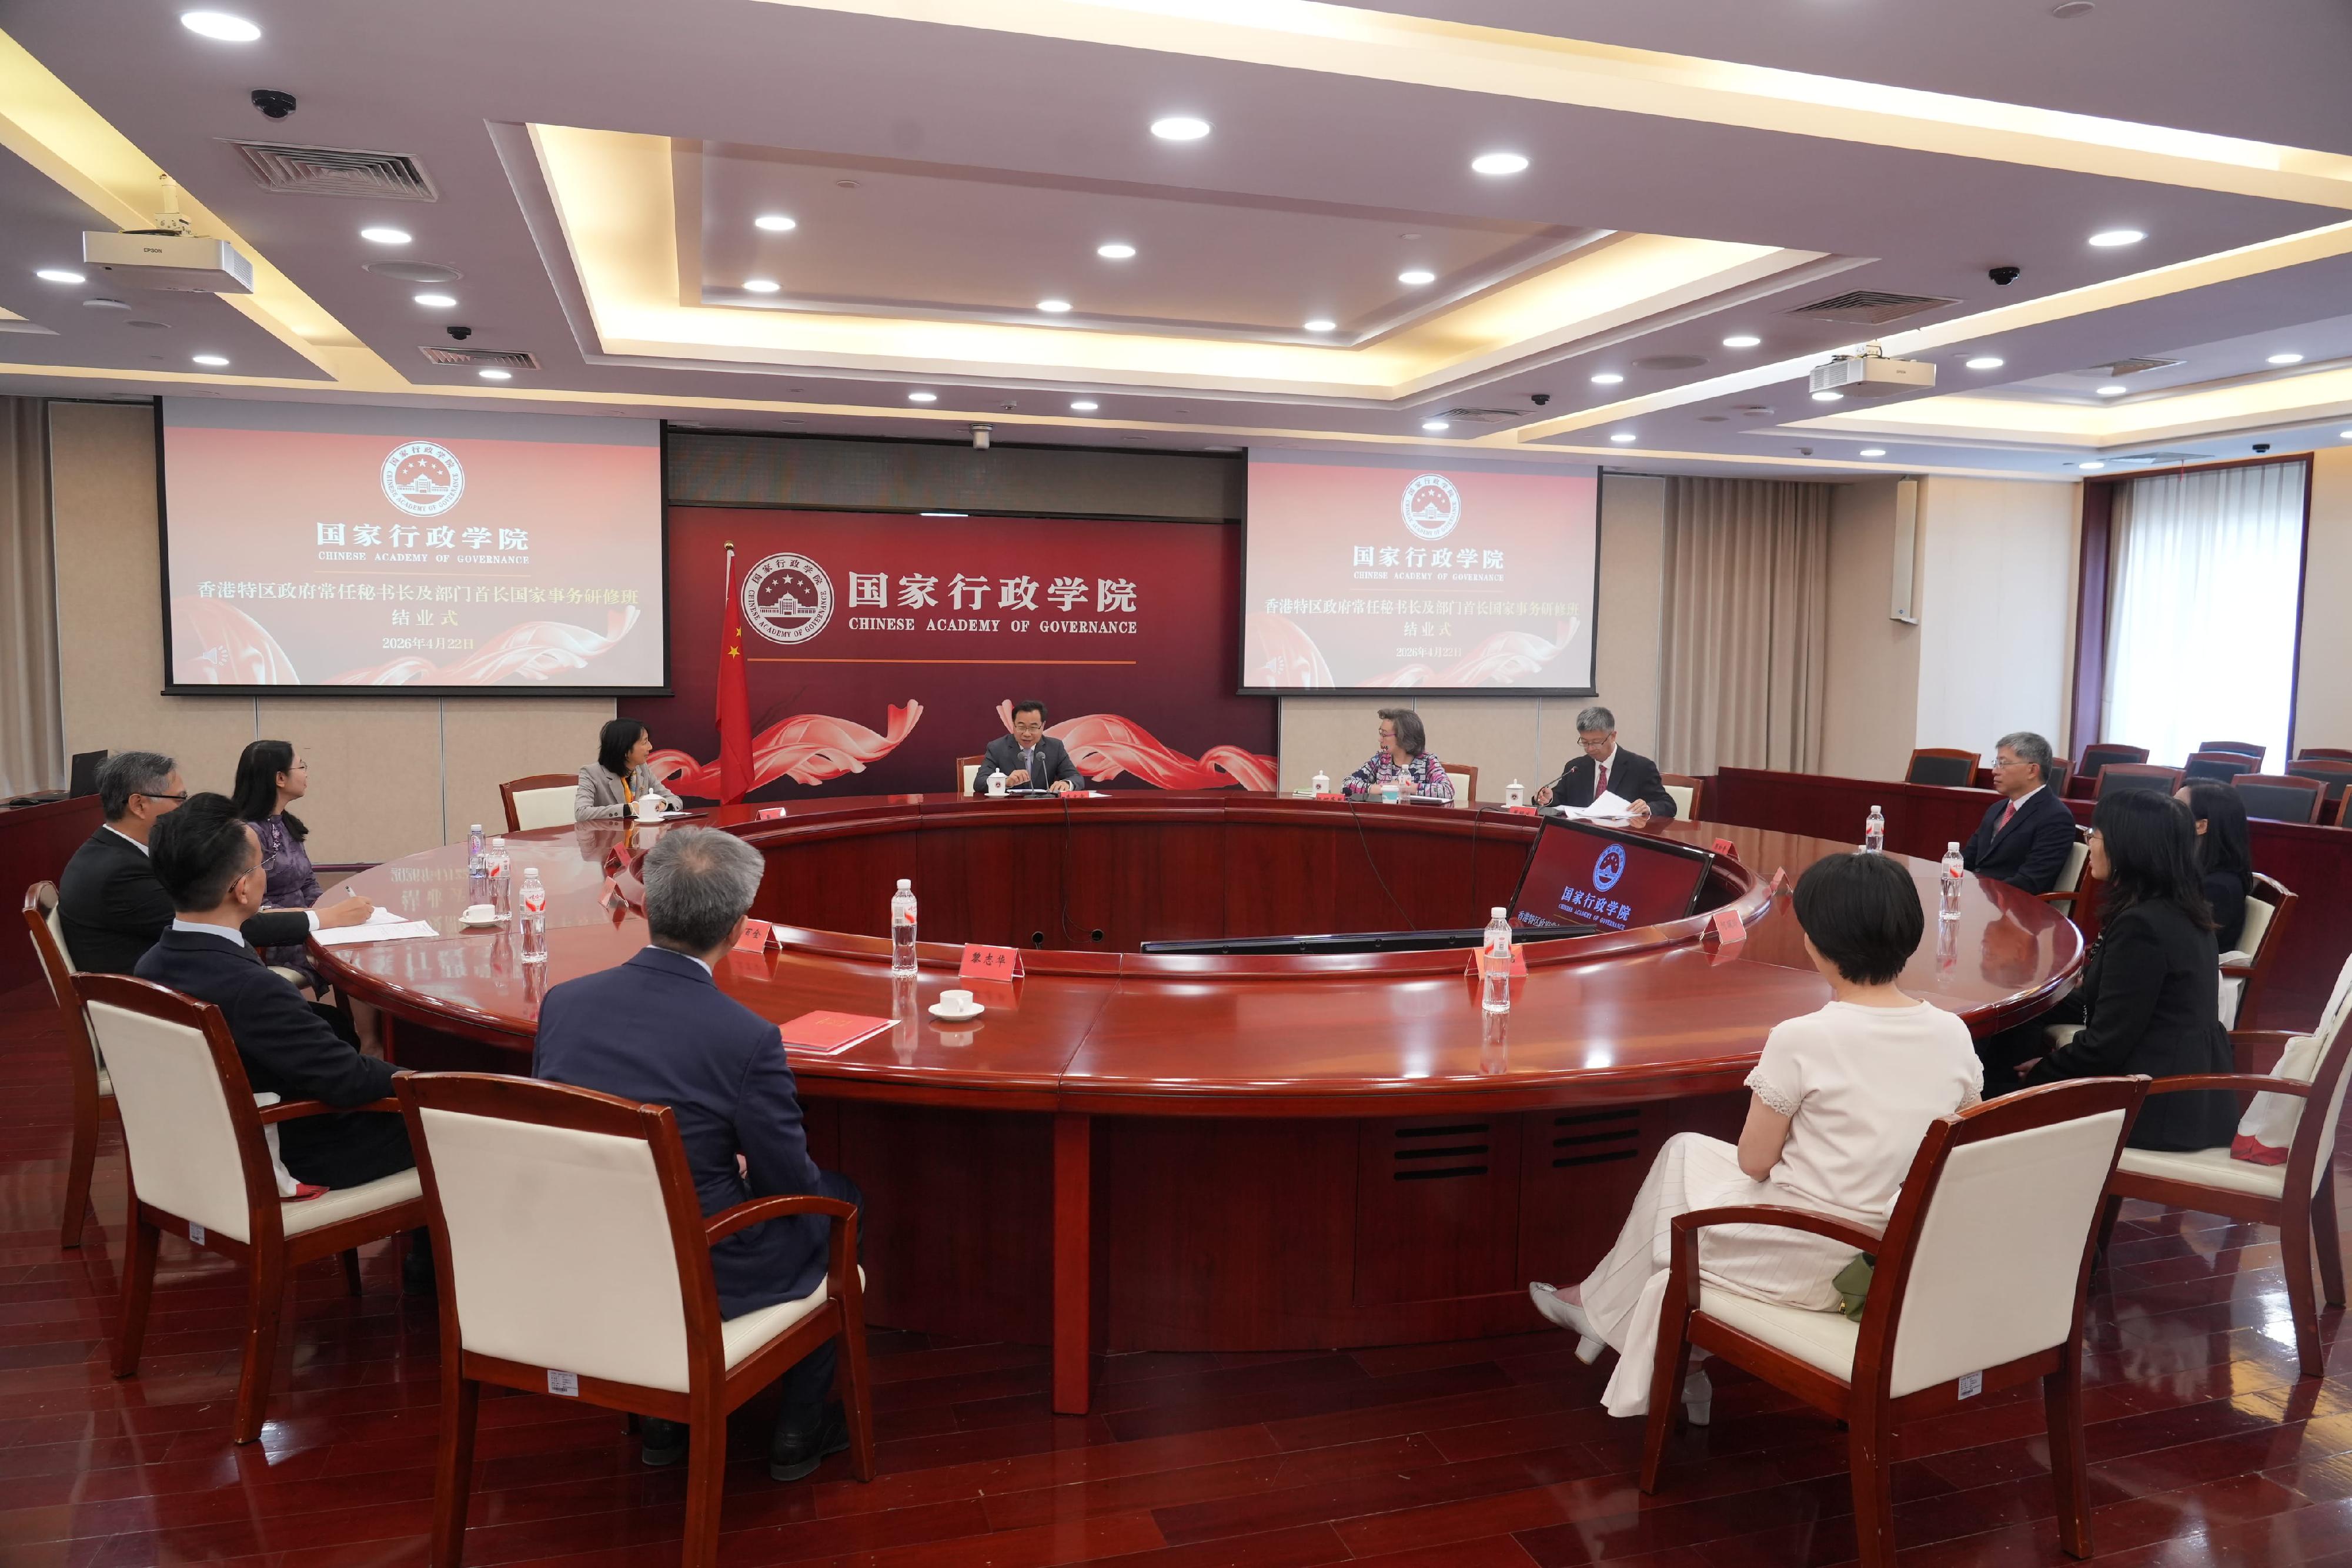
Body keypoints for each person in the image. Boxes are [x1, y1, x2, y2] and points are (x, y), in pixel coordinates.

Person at [1526, 851, 1979, 1420]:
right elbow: (1961, 1147)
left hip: (1807, 1258)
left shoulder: (1802, 1037)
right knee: (1684, 1151)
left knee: (1679, 1199)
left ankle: (1620, 1324)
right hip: (1890, 1255)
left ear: (1817, 942)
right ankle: (1634, 1332)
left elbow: (1754, 1162)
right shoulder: (1952, 1033)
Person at [533, 827, 862, 1482]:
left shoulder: (563, 1004)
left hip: (590, 1247)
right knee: (839, 1200)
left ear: (648, 907)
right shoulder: (746, 1037)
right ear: (739, 929)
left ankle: (664, 1422)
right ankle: (798, 1429)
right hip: (702, 1265)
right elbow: (788, 1182)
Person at [131, 795, 420, 1202]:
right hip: (293, 1148)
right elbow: (348, 1081)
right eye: (261, 865)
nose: (265, 874)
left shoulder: (150, 964)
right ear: (243, 888)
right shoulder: (254, 989)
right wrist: (425, 1081)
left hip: (213, 1138)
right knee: (459, 1122)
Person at [2018, 790, 2237, 1151]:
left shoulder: (2143, 926)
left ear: (2129, 847)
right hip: (2188, 1094)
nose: (2089, 844)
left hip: (2154, 1105)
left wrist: (2042, 1072)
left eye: (2095, 835)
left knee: (2003, 1089)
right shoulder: (2180, 907)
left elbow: (2106, 1045)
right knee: (2026, 1014)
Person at [58, 751, 370, 975]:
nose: (186, 810)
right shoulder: (119, 873)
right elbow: (217, 924)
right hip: (160, 1002)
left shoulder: (117, 852)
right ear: (139, 804)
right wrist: (325, 918)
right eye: (180, 799)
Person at [231, 741, 329, 989]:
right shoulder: (247, 833)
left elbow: (308, 881)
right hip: (275, 937)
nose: (306, 773)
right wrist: (318, 918)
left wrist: (326, 910)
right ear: (280, 778)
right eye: (301, 766)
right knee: (346, 957)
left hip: (308, 924)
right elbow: (252, 905)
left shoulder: (286, 823)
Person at [1960, 731, 2077, 894]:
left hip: (2012, 904)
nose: (1995, 771)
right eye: (1996, 763)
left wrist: (1981, 895)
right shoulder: (1996, 809)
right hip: (1978, 896)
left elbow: (2030, 881)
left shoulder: (2056, 817)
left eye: (2003, 764)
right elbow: (1968, 859)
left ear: (2032, 770)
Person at [1534, 707, 1675, 819]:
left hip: (1622, 838)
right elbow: (1560, 798)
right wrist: (1549, 798)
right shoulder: (1576, 767)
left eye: (1596, 742)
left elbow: (1668, 805)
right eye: (1585, 742)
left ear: (1613, 736)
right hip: (1582, 836)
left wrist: (1647, 808)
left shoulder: (1640, 767)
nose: (1590, 749)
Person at [2177, 781, 2252, 952]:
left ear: (2201, 826)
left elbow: (2186, 947)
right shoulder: (2191, 870)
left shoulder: (2218, 887)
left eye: (2177, 807)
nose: (2166, 812)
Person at [577, 718, 684, 821]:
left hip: (639, 832)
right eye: (645, 742)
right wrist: (629, 809)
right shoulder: (591, 773)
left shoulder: (642, 769)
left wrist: (663, 805)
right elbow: (581, 813)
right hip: (608, 833)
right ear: (625, 749)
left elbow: (675, 800)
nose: (650, 747)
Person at [1339, 708, 1454, 803]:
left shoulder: (1427, 762)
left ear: (1403, 737)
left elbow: (1447, 790)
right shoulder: (1381, 760)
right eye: (1381, 733)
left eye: (1384, 735)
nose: (1380, 739)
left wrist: (1404, 787)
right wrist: (1382, 789)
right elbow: (1346, 784)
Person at [973, 700, 1080, 793]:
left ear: (1043, 726)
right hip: (1008, 807)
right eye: (1021, 727)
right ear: (1013, 725)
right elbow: (979, 782)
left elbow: (1076, 777)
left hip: (1044, 807)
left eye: (1033, 728)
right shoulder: (997, 748)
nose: (1027, 734)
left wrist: (1066, 784)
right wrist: (1006, 782)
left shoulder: (1055, 747)